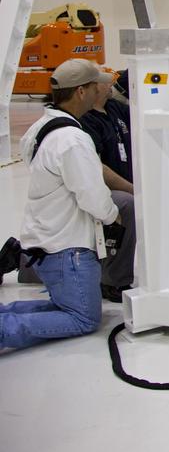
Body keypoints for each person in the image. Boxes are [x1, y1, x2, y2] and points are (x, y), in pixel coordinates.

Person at [1, 59, 123, 350]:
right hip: (68, 251)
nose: (102, 91)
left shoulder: (41, 127)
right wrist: (113, 217)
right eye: (97, 86)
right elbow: (92, 196)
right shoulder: (72, 139)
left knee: (65, 308)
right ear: (81, 91)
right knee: (82, 318)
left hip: (45, 240)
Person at [76, 73, 137, 302]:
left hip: (125, 185)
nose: (111, 82)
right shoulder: (86, 121)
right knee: (127, 204)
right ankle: (113, 281)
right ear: (90, 89)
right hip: (103, 190)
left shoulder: (114, 109)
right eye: (104, 80)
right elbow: (97, 168)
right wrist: (133, 189)